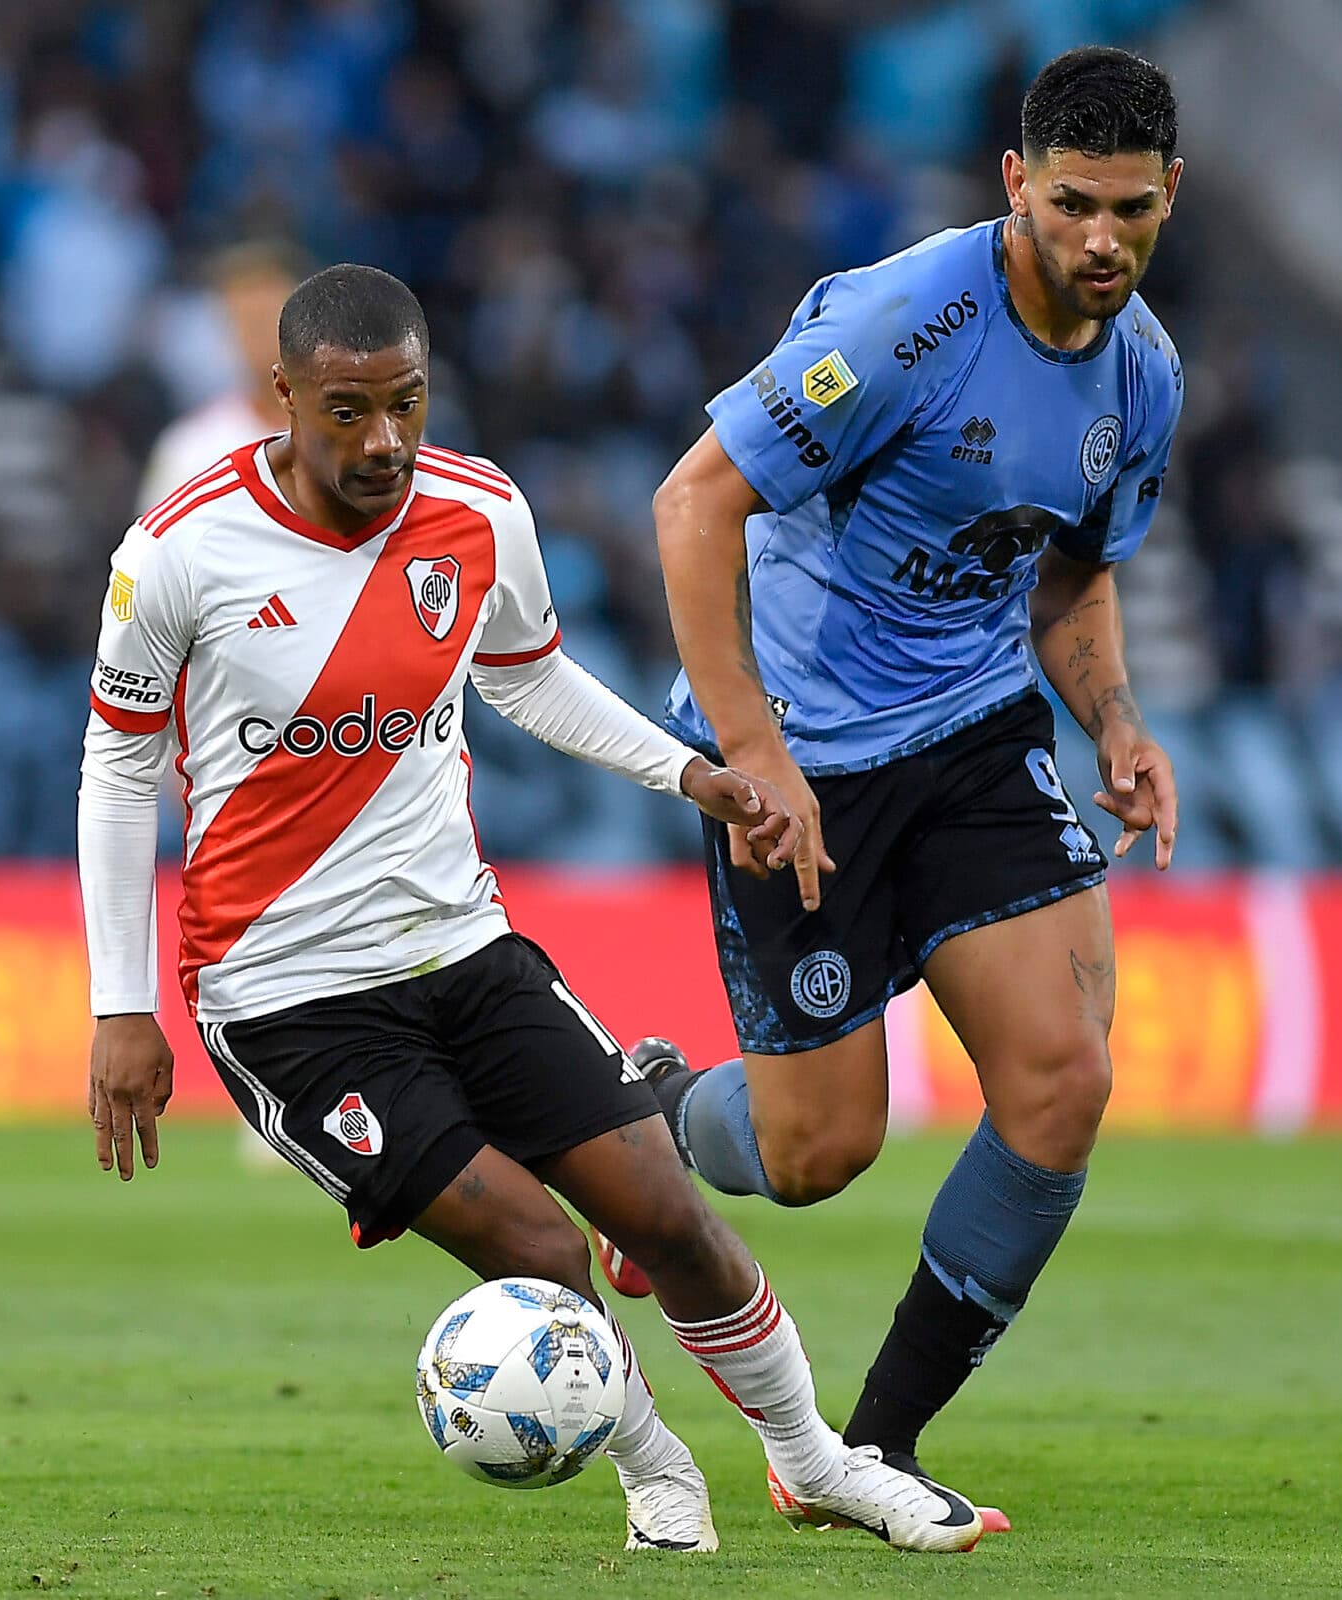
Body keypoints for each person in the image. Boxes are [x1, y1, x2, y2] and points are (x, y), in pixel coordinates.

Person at [77, 264, 988, 1554]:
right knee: (540, 1250)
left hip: (466, 948)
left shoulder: (478, 509)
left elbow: (532, 680)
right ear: (281, 396)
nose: (385, 440)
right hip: (289, 997)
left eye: (406, 403)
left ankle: (817, 1462)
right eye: (349, 411)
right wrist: (122, 1003)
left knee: (668, 1214)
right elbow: (115, 767)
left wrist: (689, 775)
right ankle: (659, 1466)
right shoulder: (178, 551)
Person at [610, 46, 1188, 1526]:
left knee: (1063, 1081)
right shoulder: (900, 323)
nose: (1103, 240)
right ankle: (654, 1120)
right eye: (1073, 205)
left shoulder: (1144, 374)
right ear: (1017, 183)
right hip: (802, 758)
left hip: (975, 732)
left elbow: (1067, 582)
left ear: (1170, 193)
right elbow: (691, 504)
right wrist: (753, 754)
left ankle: (871, 1449)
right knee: (816, 1156)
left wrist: (1113, 720)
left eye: (1131, 208)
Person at [136, 241, 312, 512]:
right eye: (245, 320)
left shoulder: (363, 437)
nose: (259, 334)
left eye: (269, 315)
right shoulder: (192, 450)